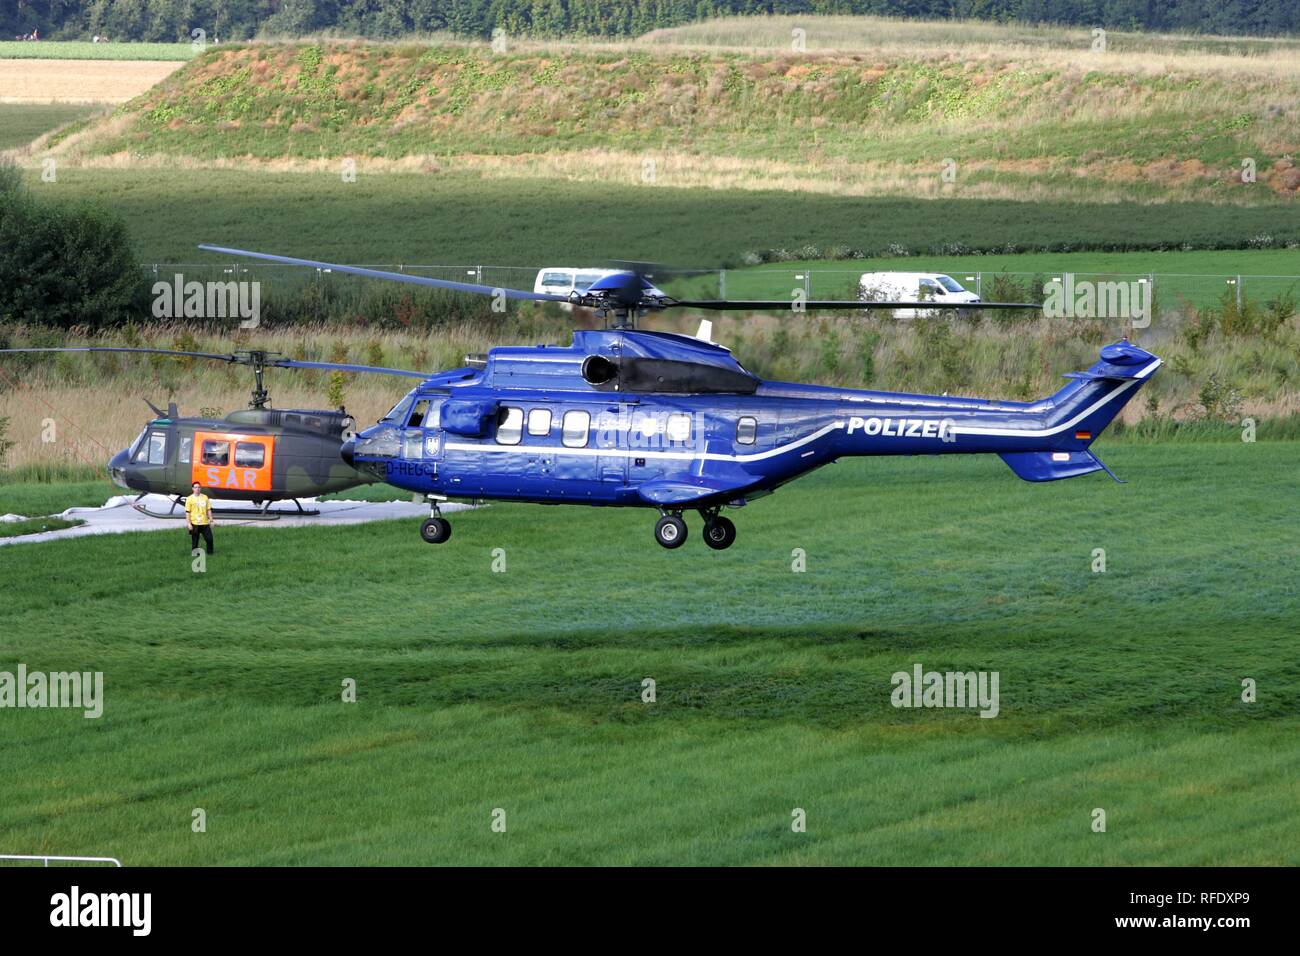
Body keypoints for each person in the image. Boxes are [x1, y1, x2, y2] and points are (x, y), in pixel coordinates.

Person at [185, 482, 215, 554]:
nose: (197, 489)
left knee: (209, 539)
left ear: (200, 488)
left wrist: (211, 520)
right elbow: (187, 512)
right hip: (195, 523)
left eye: (199, 487)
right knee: (195, 540)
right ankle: (195, 553)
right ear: (193, 489)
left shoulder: (205, 497)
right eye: (195, 487)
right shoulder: (189, 499)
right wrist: (189, 523)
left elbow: (209, 509)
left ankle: (210, 553)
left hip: (204, 522)